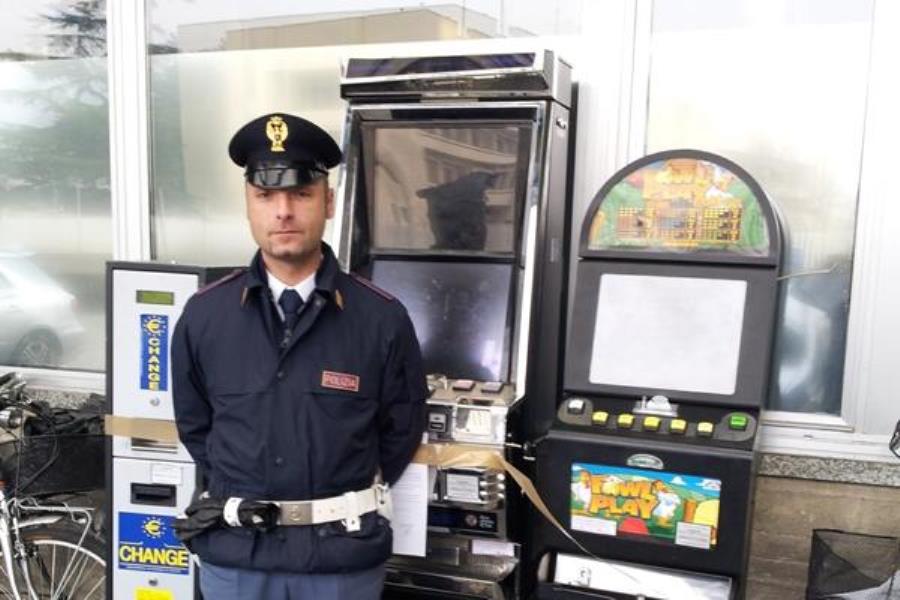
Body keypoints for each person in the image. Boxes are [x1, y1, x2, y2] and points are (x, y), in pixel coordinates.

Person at [171, 112, 427, 599]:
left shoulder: (381, 318)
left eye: (301, 194)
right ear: (248, 205)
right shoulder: (204, 316)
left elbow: (401, 430)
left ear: (328, 202)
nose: (283, 212)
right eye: (266, 196)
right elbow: (196, 427)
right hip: (238, 559)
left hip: (341, 561)